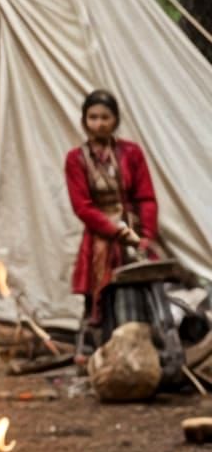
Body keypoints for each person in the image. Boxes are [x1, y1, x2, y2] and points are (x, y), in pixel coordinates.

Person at [64, 88, 159, 328]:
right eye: (93, 117)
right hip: (99, 235)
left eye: (105, 117)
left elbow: (146, 197)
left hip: (134, 231)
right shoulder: (76, 159)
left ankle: (142, 339)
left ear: (115, 120)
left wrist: (146, 236)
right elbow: (82, 207)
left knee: (139, 287)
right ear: (84, 121)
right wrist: (115, 231)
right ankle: (100, 344)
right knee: (100, 294)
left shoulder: (131, 153)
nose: (99, 124)